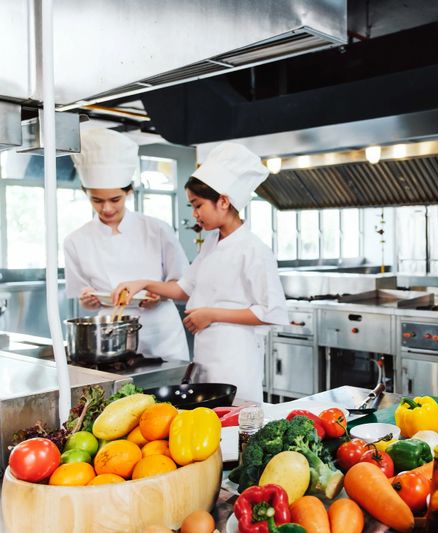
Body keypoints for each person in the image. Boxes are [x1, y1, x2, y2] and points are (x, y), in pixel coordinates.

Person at [112, 142, 289, 402]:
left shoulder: (253, 250)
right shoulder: (211, 243)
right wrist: (142, 283)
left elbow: (271, 312)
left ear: (224, 202)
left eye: (198, 205)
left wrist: (211, 314)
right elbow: (183, 288)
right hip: (207, 356)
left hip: (235, 357)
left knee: (236, 421)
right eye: (191, 207)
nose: (195, 214)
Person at [64, 128, 190, 361]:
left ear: (129, 193)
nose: (107, 209)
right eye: (97, 201)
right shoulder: (75, 241)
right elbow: (84, 297)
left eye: (115, 199)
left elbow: (182, 285)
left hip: (160, 332)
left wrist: (158, 294)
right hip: (110, 335)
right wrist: (88, 300)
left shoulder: (157, 229)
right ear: (86, 194)